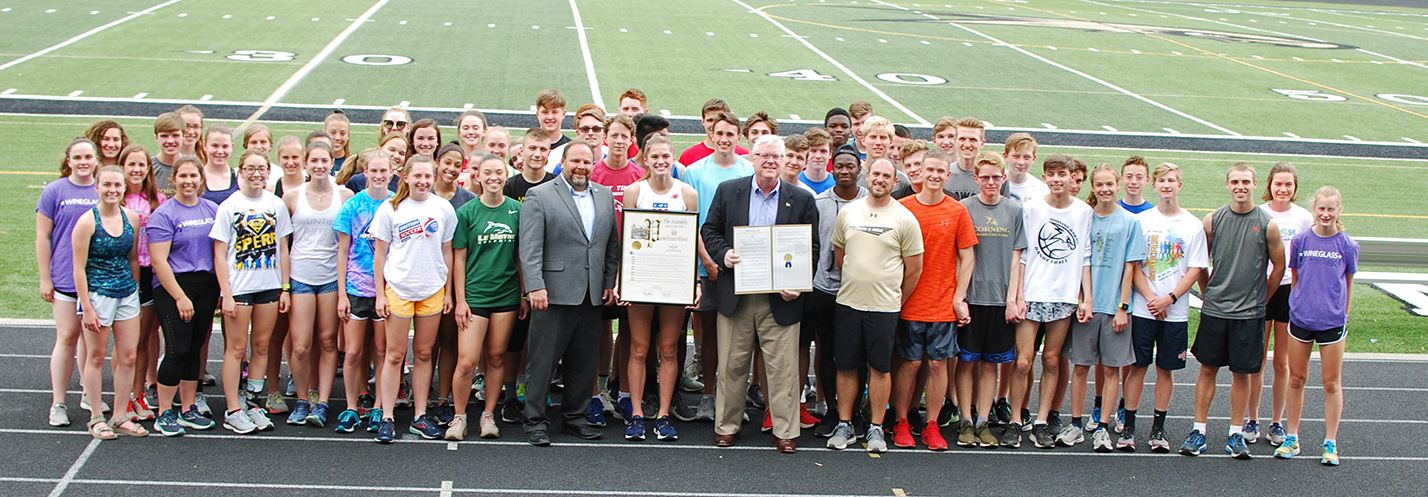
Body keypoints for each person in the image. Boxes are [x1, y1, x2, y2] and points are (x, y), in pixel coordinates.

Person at [701, 135, 819, 453]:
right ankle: (727, 427)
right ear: (751, 158)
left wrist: (799, 281)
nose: (769, 161)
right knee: (731, 365)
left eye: (776, 156)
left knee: (783, 368)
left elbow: (812, 248)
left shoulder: (802, 198)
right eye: (763, 155)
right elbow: (709, 229)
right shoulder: (730, 191)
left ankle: (785, 431)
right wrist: (723, 254)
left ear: (784, 161)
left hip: (781, 297)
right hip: (736, 293)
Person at [518, 142, 621, 446]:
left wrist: (608, 279)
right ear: (562, 162)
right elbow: (530, 246)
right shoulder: (541, 194)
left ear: (594, 165)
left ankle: (575, 418)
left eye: (587, 162)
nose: (581, 167)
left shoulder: (602, 196)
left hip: (591, 294)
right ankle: (534, 420)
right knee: (543, 360)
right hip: (553, 293)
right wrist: (535, 285)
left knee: (584, 361)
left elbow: (609, 244)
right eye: (575, 160)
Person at [1181, 162, 1285, 459]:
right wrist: (1207, 291)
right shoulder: (1213, 220)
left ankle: (1235, 434)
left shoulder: (1268, 224)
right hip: (1216, 310)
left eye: (1246, 182)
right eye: (1235, 181)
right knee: (1208, 369)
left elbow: (1279, 267)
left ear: (1255, 185)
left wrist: (1263, 298)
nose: (1241, 187)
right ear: (1227, 184)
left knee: (1242, 374)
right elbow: (1201, 262)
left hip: (1249, 314)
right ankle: (1198, 430)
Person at [826, 156, 922, 454]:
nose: (880, 179)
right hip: (849, 303)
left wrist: (894, 298)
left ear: (895, 182)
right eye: (875, 174)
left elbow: (914, 269)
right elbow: (840, 253)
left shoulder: (905, 218)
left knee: (880, 368)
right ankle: (845, 423)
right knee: (846, 366)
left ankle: (876, 426)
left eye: (887, 176)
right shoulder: (850, 212)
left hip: (885, 309)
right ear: (867, 176)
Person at [891, 148, 976, 451]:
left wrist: (959, 297)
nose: (935, 175)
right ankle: (901, 421)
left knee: (939, 365)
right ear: (920, 172)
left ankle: (931, 424)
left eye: (941, 171)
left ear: (947, 174)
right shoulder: (901, 208)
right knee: (911, 364)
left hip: (942, 304)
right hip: (909, 302)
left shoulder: (957, 211)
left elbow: (967, 257)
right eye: (930, 170)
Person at [1119, 162, 1208, 452]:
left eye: (1172, 180)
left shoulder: (1193, 225)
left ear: (1179, 185)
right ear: (1154, 186)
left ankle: (1158, 428)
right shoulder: (1142, 221)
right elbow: (1134, 265)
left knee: (1165, 369)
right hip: (1144, 308)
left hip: (1175, 311)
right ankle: (1128, 426)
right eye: (1161, 181)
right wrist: (1151, 299)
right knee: (1138, 366)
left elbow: (1194, 269)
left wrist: (1169, 298)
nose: (1167, 185)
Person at [370, 156, 458, 443]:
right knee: (394, 355)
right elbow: (380, 254)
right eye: (417, 175)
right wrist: (380, 293)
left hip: (432, 289)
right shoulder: (390, 208)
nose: (422, 181)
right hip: (398, 289)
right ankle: (386, 416)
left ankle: (420, 416)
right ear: (405, 177)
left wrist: (447, 290)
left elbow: (448, 251)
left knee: (423, 354)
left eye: (427, 176)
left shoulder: (443, 208)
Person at [1057, 165, 1145, 451]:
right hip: (1087, 307)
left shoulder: (1130, 222)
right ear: (1092, 187)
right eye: (1099, 184)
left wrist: (1122, 307)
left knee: (1110, 371)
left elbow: (1130, 269)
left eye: (1109, 183)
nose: (1105, 189)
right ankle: (1076, 425)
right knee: (1080, 367)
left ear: (1117, 184)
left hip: (1114, 309)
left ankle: (1103, 427)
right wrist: (1083, 300)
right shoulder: (1085, 219)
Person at [1011, 154, 1093, 449]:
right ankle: (1016, 420)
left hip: (1064, 297)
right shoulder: (1031, 207)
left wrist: (1086, 298)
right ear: (1044, 177)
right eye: (1051, 173)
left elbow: (1084, 257)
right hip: (1032, 294)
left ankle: (1043, 420)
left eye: (1063, 173)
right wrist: (1016, 295)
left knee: (1051, 359)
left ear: (1073, 177)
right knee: (1023, 361)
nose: (1057, 179)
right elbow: (1021, 253)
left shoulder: (1084, 212)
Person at [620, 135, 700, 442]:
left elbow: (691, 241)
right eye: (655, 157)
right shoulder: (634, 191)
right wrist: (623, 280)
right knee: (639, 348)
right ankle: (638, 415)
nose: (661, 161)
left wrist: (694, 281)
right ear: (645, 159)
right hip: (641, 279)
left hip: (674, 279)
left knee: (668, 348)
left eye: (666, 156)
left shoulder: (688, 194)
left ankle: (664, 415)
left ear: (673, 156)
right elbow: (627, 238)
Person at [210, 150, 293, 434]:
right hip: (239, 288)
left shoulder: (276, 204)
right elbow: (219, 253)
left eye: (261, 169)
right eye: (250, 168)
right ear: (240, 171)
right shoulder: (229, 206)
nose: (256, 174)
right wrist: (226, 293)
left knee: (261, 346)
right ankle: (233, 408)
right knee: (236, 349)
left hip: (269, 286)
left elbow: (283, 248)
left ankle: (252, 401)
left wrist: (285, 287)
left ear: (268, 173)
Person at [1276, 186, 1356, 466]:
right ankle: (1292, 437)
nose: (1325, 214)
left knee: (1331, 384)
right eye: (1321, 209)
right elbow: (1295, 278)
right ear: (1314, 210)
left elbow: (1348, 282)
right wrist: (1298, 306)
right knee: (1296, 379)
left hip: (1332, 322)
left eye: (1330, 209)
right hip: (1301, 319)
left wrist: (1343, 314)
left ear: (1338, 211)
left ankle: (1330, 441)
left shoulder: (1347, 245)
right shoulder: (1299, 241)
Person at [683, 111, 754, 423]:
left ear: (738, 138)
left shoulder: (749, 169)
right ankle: (709, 396)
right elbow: (693, 221)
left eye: (730, 134)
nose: (724, 139)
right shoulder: (696, 171)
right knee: (710, 335)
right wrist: (708, 261)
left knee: (741, 336)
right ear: (711, 134)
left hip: (741, 266)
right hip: (707, 266)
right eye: (719, 133)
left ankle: (733, 398)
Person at [449, 153, 525, 440]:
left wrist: (523, 294)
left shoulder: (516, 212)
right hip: (475, 297)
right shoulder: (466, 213)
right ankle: (458, 417)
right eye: (487, 172)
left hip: (505, 296)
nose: (493, 178)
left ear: (506, 176)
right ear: (477, 176)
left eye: (499, 172)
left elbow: (519, 257)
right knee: (467, 361)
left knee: (496, 357)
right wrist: (461, 300)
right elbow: (459, 260)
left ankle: (488, 415)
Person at [70, 165, 145, 439]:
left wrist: (134, 290)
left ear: (124, 188)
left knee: (128, 356)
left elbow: (133, 258)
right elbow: (78, 268)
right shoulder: (87, 222)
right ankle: (96, 417)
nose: (112, 190)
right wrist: (86, 307)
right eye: (107, 185)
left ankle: (120, 415)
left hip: (126, 293)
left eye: (117, 185)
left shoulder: (132, 218)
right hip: (98, 294)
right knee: (97, 356)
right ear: (97, 187)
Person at [148, 157, 221, 436]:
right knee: (177, 348)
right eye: (183, 176)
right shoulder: (164, 214)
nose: (188, 181)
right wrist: (179, 297)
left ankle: (188, 408)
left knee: (194, 348)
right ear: (174, 179)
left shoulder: (213, 209)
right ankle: (165, 411)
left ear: (201, 179)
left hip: (206, 284)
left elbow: (219, 252)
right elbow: (159, 261)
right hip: (174, 286)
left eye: (193, 176)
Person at [958, 151, 1026, 448]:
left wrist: (1012, 298)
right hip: (972, 297)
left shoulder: (1014, 210)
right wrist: (959, 296)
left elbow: (1017, 257)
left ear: (1003, 178)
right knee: (966, 361)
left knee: (989, 365)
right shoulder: (964, 208)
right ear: (976, 178)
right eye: (984, 177)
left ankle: (983, 421)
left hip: (999, 301)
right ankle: (964, 420)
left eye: (995, 177)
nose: (990, 182)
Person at [282, 142, 352, 428]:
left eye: (325, 160)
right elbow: (282, 244)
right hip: (300, 276)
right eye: (314, 160)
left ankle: (322, 402)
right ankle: (302, 399)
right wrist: (285, 286)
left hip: (331, 279)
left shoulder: (345, 195)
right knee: (300, 346)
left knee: (327, 341)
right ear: (306, 164)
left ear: (331, 163)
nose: (320, 165)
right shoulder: (291, 196)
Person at [39, 138, 102, 428]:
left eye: (88, 156)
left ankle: (89, 393)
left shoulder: (103, 187)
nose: (83, 162)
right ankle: (58, 402)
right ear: (69, 160)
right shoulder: (54, 191)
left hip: (98, 279)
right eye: (77, 157)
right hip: (65, 277)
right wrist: (45, 277)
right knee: (67, 337)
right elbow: (43, 236)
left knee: (92, 343)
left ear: (96, 158)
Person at [333, 149, 394, 434]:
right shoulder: (353, 206)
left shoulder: (397, 205)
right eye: (374, 171)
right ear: (365, 173)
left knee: (383, 351)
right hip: (357, 288)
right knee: (354, 352)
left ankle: (380, 405)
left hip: (388, 289)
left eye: (384, 171)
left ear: (392, 173)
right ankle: (350, 406)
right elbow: (342, 250)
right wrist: (342, 294)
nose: (379, 176)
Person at [1252, 162, 1312, 446]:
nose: (1283, 189)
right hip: (1262, 289)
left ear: (1295, 187)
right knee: (1257, 360)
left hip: (1290, 290)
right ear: (1269, 185)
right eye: (1278, 184)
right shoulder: (1260, 213)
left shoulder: (1303, 217)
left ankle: (1276, 422)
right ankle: (1252, 418)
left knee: (1282, 362)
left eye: (1288, 184)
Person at [807, 146, 866, 438]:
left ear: (859, 169)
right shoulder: (819, 204)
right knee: (828, 351)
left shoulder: (872, 202)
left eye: (850, 166)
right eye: (839, 166)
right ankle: (832, 410)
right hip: (824, 290)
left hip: (861, 291)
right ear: (832, 168)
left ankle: (856, 412)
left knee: (858, 354)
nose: (845, 171)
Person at [119, 145, 166, 423]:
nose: (136, 170)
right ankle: (122, 396)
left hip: (149, 273)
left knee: (144, 340)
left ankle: (137, 394)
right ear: (123, 166)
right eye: (131, 164)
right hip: (122, 274)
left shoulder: (156, 200)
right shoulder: (116, 197)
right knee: (126, 343)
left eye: (141, 165)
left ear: (149, 169)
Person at [680, 99, 748, 165]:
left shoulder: (744, 155)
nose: (713, 125)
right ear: (703, 121)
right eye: (710, 120)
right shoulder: (688, 155)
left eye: (717, 120)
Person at [853, 117, 910, 192]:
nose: (878, 143)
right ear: (863, 140)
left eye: (883, 138)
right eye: (873, 137)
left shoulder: (902, 180)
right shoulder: (854, 176)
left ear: (891, 142)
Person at [342, 133, 407, 193]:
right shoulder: (357, 181)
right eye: (392, 150)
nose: (396, 156)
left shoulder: (402, 185)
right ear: (379, 149)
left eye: (402, 153)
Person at [504, 128, 556, 203]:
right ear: (522, 151)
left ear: (548, 153)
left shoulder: (557, 184)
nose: (537, 154)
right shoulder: (509, 186)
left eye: (543, 149)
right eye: (532, 148)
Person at [200, 125, 239, 206]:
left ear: (232, 147)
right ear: (204, 146)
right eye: (215, 146)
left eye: (225, 146)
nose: (220, 151)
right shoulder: (196, 177)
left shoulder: (240, 178)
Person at [1004, 133, 1048, 203]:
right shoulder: (995, 185)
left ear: (1033, 158)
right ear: (1006, 156)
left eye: (1026, 157)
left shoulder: (1042, 190)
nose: (1021, 162)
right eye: (1016, 156)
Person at [150, 112, 184, 197]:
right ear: (156, 138)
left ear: (184, 136)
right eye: (164, 136)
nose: (170, 141)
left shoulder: (193, 166)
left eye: (175, 135)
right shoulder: (148, 167)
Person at [798, 128, 835, 194]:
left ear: (830, 154)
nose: (818, 156)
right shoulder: (796, 181)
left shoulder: (836, 184)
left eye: (823, 151)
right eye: (813, 151)